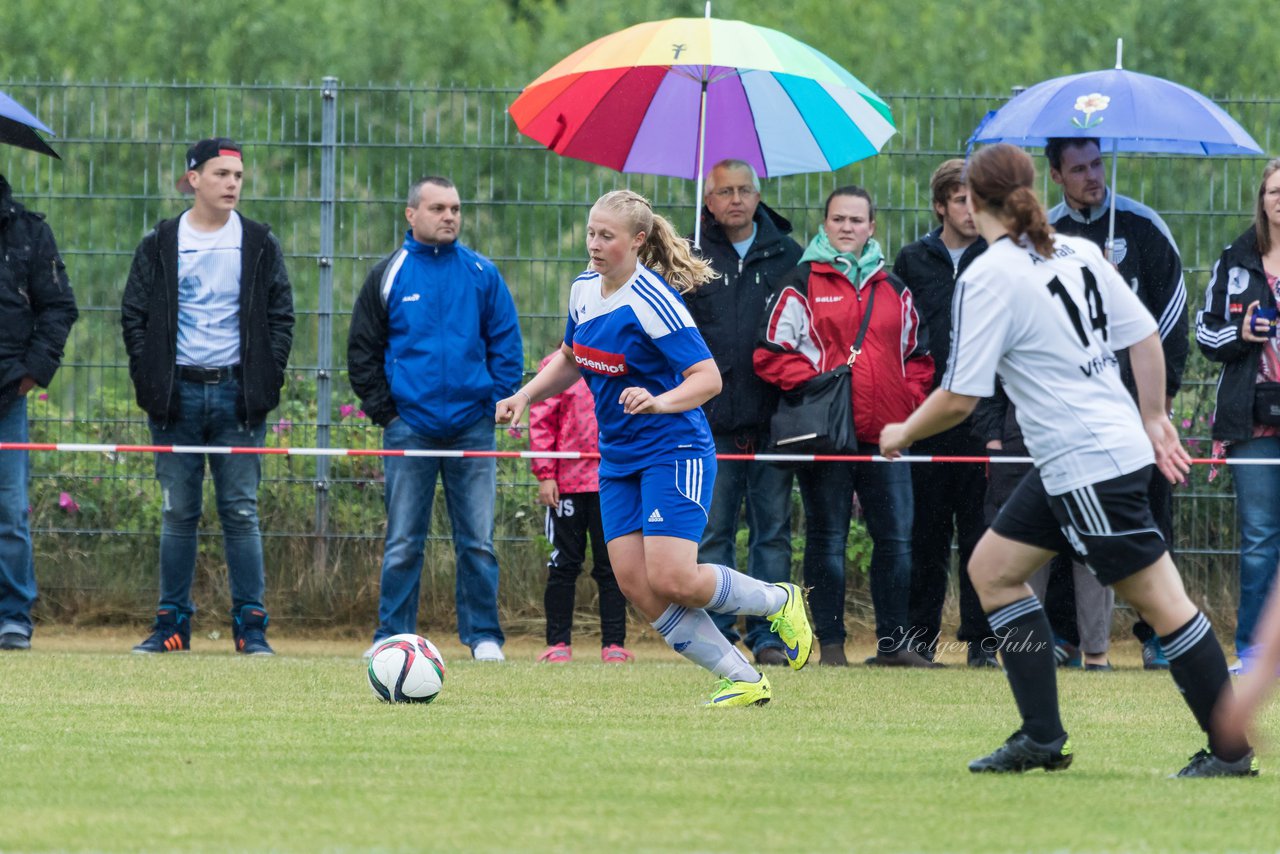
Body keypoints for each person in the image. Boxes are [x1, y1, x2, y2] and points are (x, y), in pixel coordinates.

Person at [880, 143, 1255, 777]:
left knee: (1165, 605)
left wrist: (902, 431)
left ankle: (1231, 751)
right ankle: (1041, 736)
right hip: (1077, 460)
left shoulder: (987, 273)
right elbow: (1144, 334)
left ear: (974, 199)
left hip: (1089, 464)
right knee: (993, 570)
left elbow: (960, 395)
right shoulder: (1077, 250)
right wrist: (1155, 416)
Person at [495, 189, 812, 706]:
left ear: (638, 240)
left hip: (674, 448)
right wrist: (525, 395)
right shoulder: (582, 289)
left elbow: (707, 379)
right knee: (638, 586)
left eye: (607, 236)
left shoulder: (653, 300)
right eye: (591, 232)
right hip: (619, 457)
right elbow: (572, 357)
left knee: (674, 577)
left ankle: (780, 599)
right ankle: (743, 678)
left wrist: (660, 401)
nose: (594, 244)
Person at [121, 138, 294, 656]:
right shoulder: (161, 242)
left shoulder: (260, 241)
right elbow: (134, 315)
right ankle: (172, 625)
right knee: (178, 514)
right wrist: (152, 380)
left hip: (239, 398)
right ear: (193, 178)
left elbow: (281, 316)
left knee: (240, 511)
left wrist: (265, 379)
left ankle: (251, 628)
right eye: (221, 175)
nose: (232, 184)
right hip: (176, 398)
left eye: (238, 176)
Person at [755, 186, 935, 668]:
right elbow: (770, 353)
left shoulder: (895, 290)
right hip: (828, 437)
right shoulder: (801, 283)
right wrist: (819, 387)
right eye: (838, 219)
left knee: (896, 542)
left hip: (888, 438)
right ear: (825, 224)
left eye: (857, 220)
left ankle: (894, 645)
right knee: (826, 541)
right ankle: (830, 645)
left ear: (872, 227)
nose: (847, 227)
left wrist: (909, 405)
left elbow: (920, 358)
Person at [348, 176, 522, 662]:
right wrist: (388, 412)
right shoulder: (389, 274)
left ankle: (484, 636)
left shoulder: (482, 273)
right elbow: (362, 351)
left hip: (472, 426)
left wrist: (495, 401)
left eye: (456, 208)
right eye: (439, 208)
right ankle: (391, 636)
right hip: (410, 426)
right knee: (404, 539)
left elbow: (506, 345)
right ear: (411, 215)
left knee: (478, 542)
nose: (450, 216)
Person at [1047, 137, 1188, 671]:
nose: (1092, 176)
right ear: (1056, 175)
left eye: (1097, 164)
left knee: (1150, 518)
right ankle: (1062, 633)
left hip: (1137, 411)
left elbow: (1170, 320)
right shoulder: (1045, 235)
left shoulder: (1142, 226)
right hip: (1071, 408)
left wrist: (1161, 402)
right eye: (1078, 168)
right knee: (1064, 514)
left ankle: (1161, 632)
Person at [685, 159, 803, 666]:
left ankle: (769, 635)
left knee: (772, 533)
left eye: (744, 190)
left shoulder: (788, 256)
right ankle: (718, 632)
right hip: (709, 424)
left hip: (776, 421)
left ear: (758, 197)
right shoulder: (686, 258)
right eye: (724, 191)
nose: (735, 199)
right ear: (708, 201)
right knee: (711, 533)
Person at [892, 159, 998, 668]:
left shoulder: (1000, 257)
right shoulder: (912, 259)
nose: (971, 209)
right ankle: (919, 640)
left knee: (982, 534)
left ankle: (983, 642)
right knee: (926, 536)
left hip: (984, 418)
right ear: (940, 206)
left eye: (979, 199)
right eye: (961, 200)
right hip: (929, 416)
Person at [1195, 157, 1280, 674]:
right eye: (1274, 190)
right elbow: (1206, 334)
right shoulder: (1237, 259)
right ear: (1262, 199)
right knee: (1258, 539)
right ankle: (1251, 651)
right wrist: (1240, 335)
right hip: (1253, 422)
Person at [0, 173, 78, 652]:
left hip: (7, 393)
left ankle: (12, 616)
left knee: (9, 510)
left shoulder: (30, 232)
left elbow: (58, 307)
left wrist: (31, 373)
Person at [524, 350, 633, 664]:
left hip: (612, 483)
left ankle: (614, 644)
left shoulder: (620, 364)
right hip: (567, 486)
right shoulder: (554, 368)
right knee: (563, 564)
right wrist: (546, 475)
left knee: (612, 566)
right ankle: (558, 642)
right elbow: (542, 424)